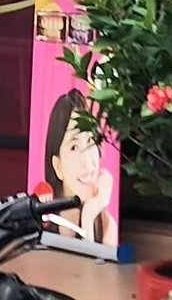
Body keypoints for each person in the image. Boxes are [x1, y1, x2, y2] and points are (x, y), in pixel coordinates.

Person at [44, 89, 117, 246]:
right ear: (58, 166)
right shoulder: (42, 223)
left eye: (91, 141)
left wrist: (89, 216)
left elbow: (93, 263)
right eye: (74, 147)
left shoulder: (106, 226)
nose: (87, 161)